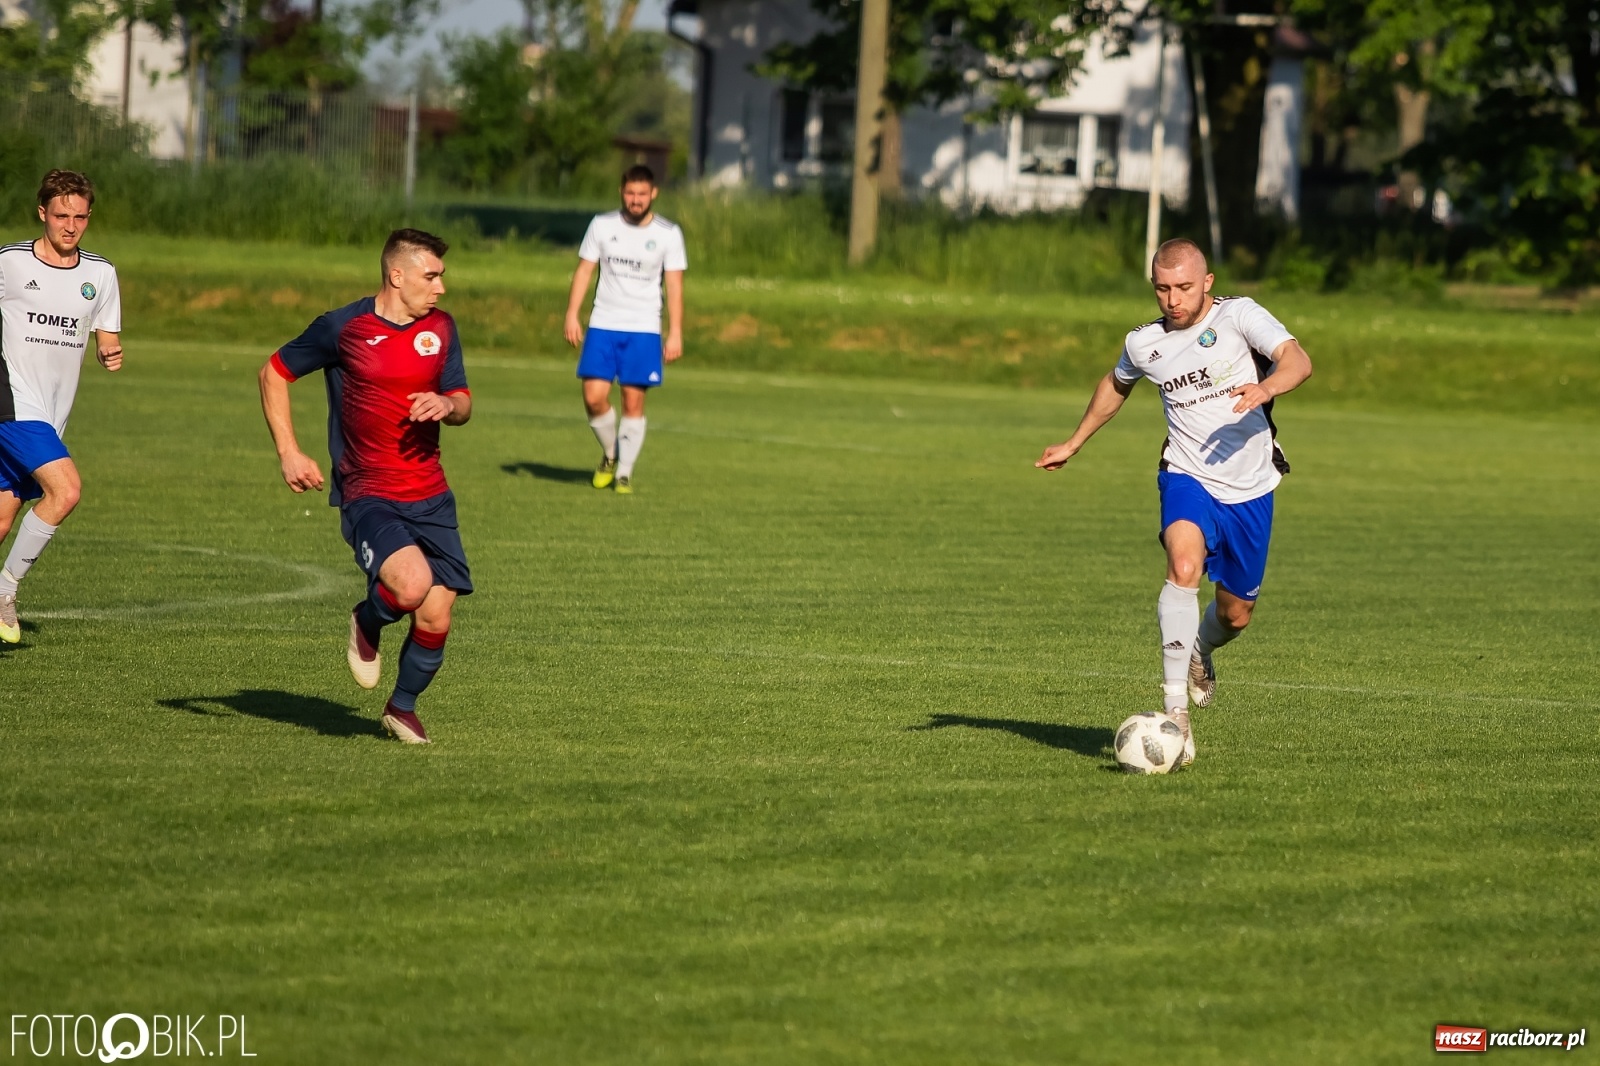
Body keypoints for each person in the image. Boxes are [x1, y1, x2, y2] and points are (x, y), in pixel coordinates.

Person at [1035, 238, 1313, 766]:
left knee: (1236, 615)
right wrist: (1073, 442)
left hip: (1250, 485)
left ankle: (1201, 651)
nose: (1173, 299)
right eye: (1162, 289)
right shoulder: (1144, 343)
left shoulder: (1239, 317)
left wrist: (1266, 388)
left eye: (1184, 287)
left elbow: (1297, 360)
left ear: (1206, 282)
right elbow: (1116, 385)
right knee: (1182, 565)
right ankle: (1175, 717)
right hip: (1186, 473)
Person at [258, 229, 472, 745]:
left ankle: (402, 707)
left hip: (432, 492)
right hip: (369, 490)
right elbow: (274, 373)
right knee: (411, 585)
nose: (440, 287)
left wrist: (448, 405)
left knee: (437, 613)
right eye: (431, 275)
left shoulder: (441, 328)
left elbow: (463, 400)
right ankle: (366, 619)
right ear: (397, 276)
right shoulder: (344, 327)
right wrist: (289, 451)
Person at [0, 169, 123, 644]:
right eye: (60, 216)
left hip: (51, 413)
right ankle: (6, 589)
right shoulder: (9, 262)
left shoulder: (100, 274)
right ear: (42, 214)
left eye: (79, 217)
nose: (70, 226)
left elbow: (106, 335)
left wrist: (108, 352)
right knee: (66, 491)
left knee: (6, 515)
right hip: (10, 400)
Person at [563, 164, 687, 494]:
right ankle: (610, 453)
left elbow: (674, 285)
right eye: (630, 193)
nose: (635, 199)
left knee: (633, 403)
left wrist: (675, 331)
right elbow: (584, 271)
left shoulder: (668, 233)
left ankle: (624, 473)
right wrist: (572, 314)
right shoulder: (602, 226)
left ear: (653, 194)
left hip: (644, 328)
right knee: (593, 397)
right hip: (603, 323)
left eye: (642, 194)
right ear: (622, 192)